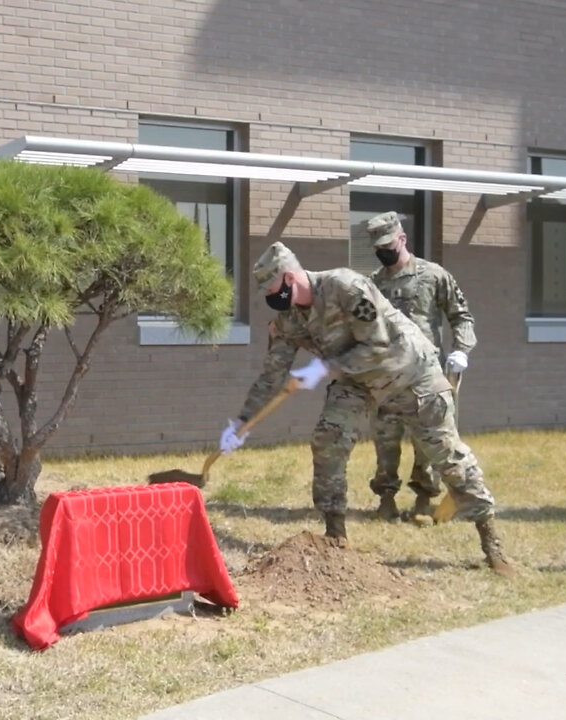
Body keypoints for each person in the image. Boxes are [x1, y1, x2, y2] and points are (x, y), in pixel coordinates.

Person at [218, 241, 514, 576]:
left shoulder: (346, 286)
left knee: (447, 455)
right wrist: (241, 423)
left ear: (289, 278)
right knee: (328, 436)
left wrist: (321, 368)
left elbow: (378, 345)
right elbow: (271, 375)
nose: (270, 297)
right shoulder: (288, 320)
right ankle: (335, 537)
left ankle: (492, 546)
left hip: (410, 374)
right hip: (356, 381)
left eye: (270, 288)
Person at [365, 211, 477, 521]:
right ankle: (386, 498)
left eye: (388, 244)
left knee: (428, 441)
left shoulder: (433, 275)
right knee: (385, 438)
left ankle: (425, 498)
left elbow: (461, 316)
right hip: (387, 376)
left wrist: (461, 350)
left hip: (425, 376)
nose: (383, 251)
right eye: (377, 248)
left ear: (402, 238)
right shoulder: (372, 284)